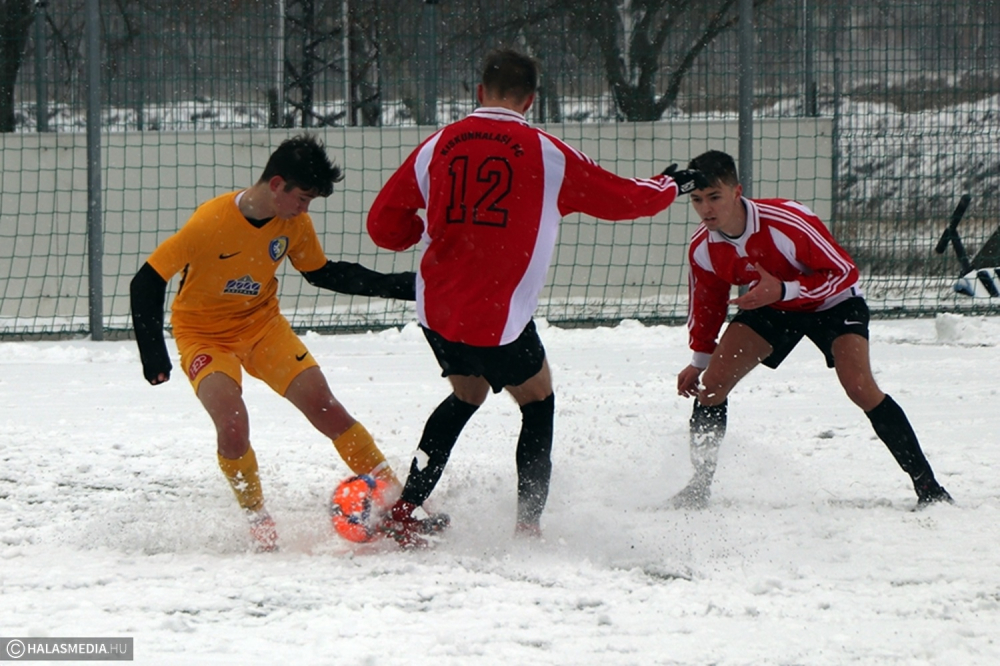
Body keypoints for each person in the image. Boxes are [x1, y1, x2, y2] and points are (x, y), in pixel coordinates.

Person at [366, 48, 705, 547]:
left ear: (479, 92)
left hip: (437, 310)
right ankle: (527, 526)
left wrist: (417, 232)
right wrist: (670, 184)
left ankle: (405, 510)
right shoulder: (547, 153)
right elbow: (626, 200)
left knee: (466, 396)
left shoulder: (436, 145)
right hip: (497, 319)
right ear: (530, 100)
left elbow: (381, 225)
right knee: (538, 403)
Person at [130, 134, 415, 552]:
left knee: (326, 407)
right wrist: (154, 355)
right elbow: (146, 281)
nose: (305, 209)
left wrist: (404, 285)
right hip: (204, 335)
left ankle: (398, 504)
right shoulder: (209, 222)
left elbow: (323, 273)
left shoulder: (294, 225)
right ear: (277, 184)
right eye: (302, 198)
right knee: (232, 425)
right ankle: (257, 518)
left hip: (263, 327)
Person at [673, 149, 952, 510]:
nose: (706, 208)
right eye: (697, 200)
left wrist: (786, 289)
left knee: (860, 387)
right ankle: (698, 488)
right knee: (711, 386)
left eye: (714, 197)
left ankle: (929, 488)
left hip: (833, 303)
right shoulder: (703, 246)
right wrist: (699, 360)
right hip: (775, 306)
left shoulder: (787, 220)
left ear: (737, 192)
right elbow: (707, 304)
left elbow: (844, 272)